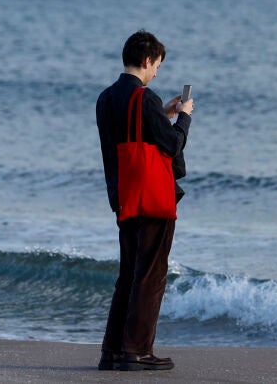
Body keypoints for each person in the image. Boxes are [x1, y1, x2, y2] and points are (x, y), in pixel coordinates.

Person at [95, 30, 194, 371]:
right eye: (158, 66)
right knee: (151, 273)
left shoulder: (106, 98)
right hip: (151, 197)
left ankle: (113, 350)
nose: (157, 74)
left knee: (129, 273)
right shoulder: (144, 97)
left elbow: (129, 140)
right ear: (148, 60)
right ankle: (137, 350)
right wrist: (184, 116)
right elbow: (171, 145)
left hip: (123, 196)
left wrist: (160, 114)